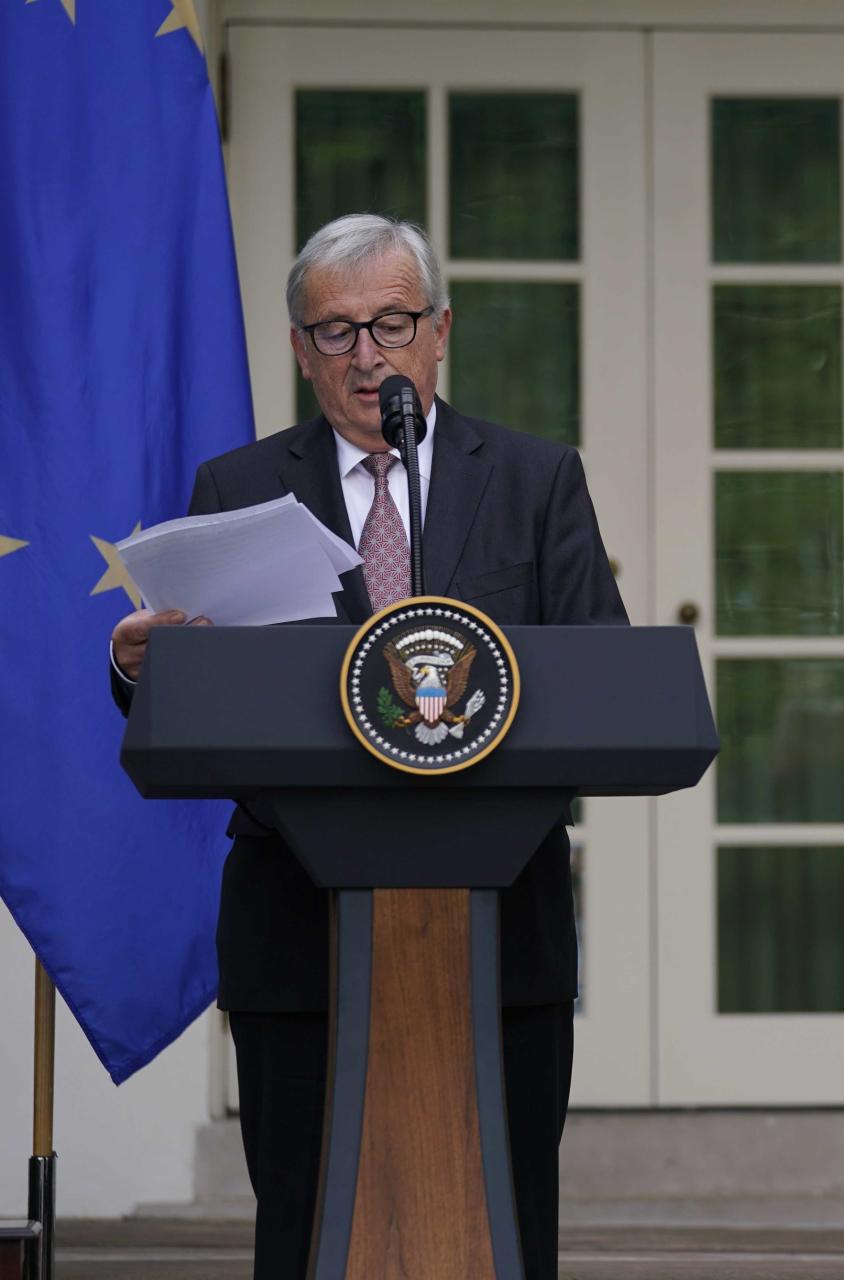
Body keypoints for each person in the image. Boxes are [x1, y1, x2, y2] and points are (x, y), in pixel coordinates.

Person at [109, 213, 625, 1279]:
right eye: (336, 331)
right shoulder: (237, 489)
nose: (367, 356)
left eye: (391, 323)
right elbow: (194, 700)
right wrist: (135, 668)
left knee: (507, 1228)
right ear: (299, 349)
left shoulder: (533, 482)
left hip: (498, 939)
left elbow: (608, 682)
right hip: (302, 929)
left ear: (439, 331)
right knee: (304, 1231)